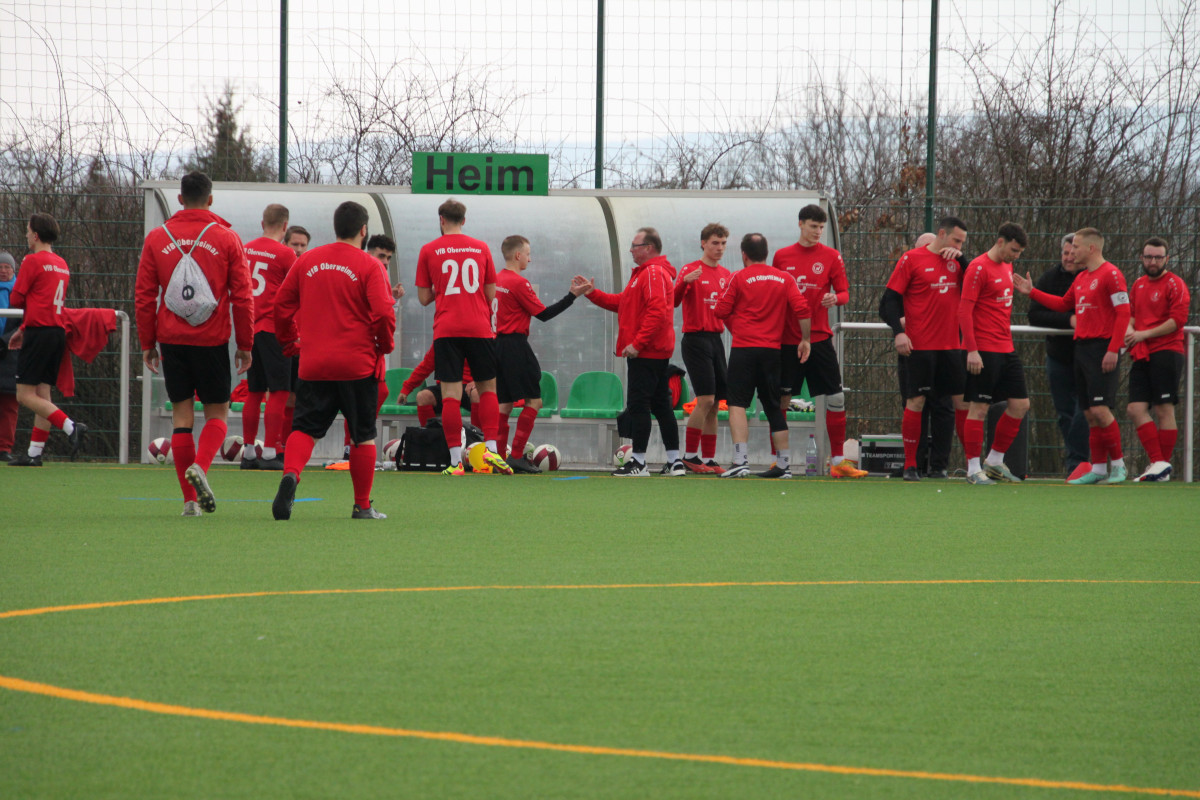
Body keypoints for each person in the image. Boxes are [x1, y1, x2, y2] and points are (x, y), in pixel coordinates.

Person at [135, 172, 253, 514]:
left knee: (181, 416)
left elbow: (144, 295)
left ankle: (189, 502)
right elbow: (243, 297)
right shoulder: (227, 238)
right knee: (217, 411)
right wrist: (245, 344)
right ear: (211, 199)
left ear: (180, 199)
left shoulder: (157, 238)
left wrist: (148, 342)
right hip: (212, 339)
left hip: (171, 339)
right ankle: (201, 466)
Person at [271, 201, 396, 520]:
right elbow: (383, 312)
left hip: (314, 364)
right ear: (363, 230)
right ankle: (362, 505)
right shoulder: (371, 266)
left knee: (304, 429)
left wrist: (289, 340)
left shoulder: (308, 260)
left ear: (336, 227)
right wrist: (384, 343)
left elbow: (282, 305)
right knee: (362, 434)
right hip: (357, 364)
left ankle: (291, 475)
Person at [1014, 227, 1131, 484]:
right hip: (1081, 350)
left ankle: (1119, 466)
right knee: (1089, 413)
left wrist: (1113, 349)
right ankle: (1098, 470)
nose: (1071, 252)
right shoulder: (1081, 278)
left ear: (1091, 248)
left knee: (1101, 410)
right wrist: (1031, 292)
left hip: (1102, 349)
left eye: (1076, 247)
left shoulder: (1111, 274)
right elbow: (1062, 304)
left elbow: (1123, 313)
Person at [414, 198, 512, 476]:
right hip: (479, 328)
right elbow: (491, 292)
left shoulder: (428, 249)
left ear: (441, 219)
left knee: (450, 396)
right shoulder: (480, 247)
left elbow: (423, 298)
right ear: (464, 221)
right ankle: (492, 450)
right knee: (488, 389)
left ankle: (456, 460)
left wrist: (442, 289)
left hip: (447, 329)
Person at [575, 227, 681, 476]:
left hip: (646, 353)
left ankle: (640, 462)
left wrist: (637, 343)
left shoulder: (653, 273)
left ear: (649, 248)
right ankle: (674, 462)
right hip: (652, 351)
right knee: (660, 405)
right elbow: (622, 303)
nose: (631, 250)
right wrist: (592, 293)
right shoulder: (644, 274)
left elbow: (657, 311)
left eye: (635, 246)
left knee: (639, 404)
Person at [771, 204, 867, 478]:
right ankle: (779, 460)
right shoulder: (782, 256)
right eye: (813, 226)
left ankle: (837, 461)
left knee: (836, 397)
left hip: (820, 338)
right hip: (788, 340)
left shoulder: (832, 256)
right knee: (782, 400)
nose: (818, 232)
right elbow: (775, 293)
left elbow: (845, 293)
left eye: (821, 228)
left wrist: (834, 298)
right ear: (801, 224)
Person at [879, 216, 970, 481]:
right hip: (920, 347)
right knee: (915, 402)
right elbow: (889, 302)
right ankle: (910, 465)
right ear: (942, 234)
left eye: (962, 242)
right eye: (956, 240)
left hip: (952, 346)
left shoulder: (960, 263)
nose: (959, 245)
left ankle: (971, 465)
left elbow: (981, 285)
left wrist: (962, 259)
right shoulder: (911, 259)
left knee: (961, 403)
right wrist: (899, 333)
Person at [713, 233, 811, 478]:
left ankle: (740, 461)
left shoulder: (738, 277)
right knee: (773, 406)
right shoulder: (784, 278)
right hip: (771, 351)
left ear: (743, 254)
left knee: (737, 403)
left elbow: (721, 310)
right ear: (766, 253)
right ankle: (784, 465)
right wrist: (805, 339)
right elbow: (802, 308)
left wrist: (739, 324)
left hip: (744, 349)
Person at [493, 234, 590, 472]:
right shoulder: (518, 282)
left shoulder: (494, 279)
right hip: (515, 345)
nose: (530, 259)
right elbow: (544, 315)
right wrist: (572, 296)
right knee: (534, 401)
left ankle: (497, 458)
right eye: (528, 254)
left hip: (495, 345)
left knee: (503, 405)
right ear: (518, 255)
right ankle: (515, 456)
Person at [6, 213, 88, 468]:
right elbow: (44, 301)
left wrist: (28, 322)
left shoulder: (32, 261)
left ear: (37, 235)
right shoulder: (62, 263)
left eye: (28, 231)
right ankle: (34, 453)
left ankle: (70, 426)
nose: (26, 235)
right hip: (55, 333)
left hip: (40, 333)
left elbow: (16, 300)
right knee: (43, 393)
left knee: (23, 395)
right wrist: (24, 328)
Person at [957, 223, 1030, 485]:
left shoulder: (1007, 267)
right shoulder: (978, 267)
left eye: (1020, 252)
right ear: (1000, 242)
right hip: (983, 349)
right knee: (979, 407)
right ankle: (973, 469)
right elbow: (964, 311)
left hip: (1006, 347)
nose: (1016, 256)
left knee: (1020, 405)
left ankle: (995, 461)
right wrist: (972, 350)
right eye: (1014, 250)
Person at [1124, 237, 1190, 482]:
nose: (1153, 261)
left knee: (1164, 409)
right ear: (1142, 257)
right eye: (1148, 257)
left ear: (1167, 259)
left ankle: (1159, 466)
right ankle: (1160, 463)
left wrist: (1143, 333)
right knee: (1134, 409)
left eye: (1158, 257)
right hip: (1142, 353)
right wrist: (1129, 331)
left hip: (1167, 351)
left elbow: (1177, 321)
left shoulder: (1175, 284)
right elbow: (1131, 315)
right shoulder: (1138, 284)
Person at [1027, 233, 1089, 479]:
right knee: (1064, 413)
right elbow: (1035, 315)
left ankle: (1084, 461)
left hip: (1087, 355)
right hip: (1058, 356)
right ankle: (1074, 465)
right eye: (1065, 253)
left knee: (1084, 411)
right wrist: (1068, 320)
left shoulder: (1092, 278)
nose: (1068, 257)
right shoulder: (1050, 278)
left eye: (1073, 253)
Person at [240, 203, 296, 470]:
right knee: (279, 390)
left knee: (254, 390)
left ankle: (249, 452)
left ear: (262, 224)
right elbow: (295, 295)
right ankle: (271, 451)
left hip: (249, 328)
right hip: (274, 329)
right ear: (285, 226)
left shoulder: (245, 248)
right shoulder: (286, 255)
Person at [673, 223, 732, 474]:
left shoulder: (727, 275)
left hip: (716, 340)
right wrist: (684, 283)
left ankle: (708, 458)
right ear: (703, 243)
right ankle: (689, 455)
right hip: (695, 339)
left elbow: (730, 311)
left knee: (716, 402)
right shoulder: (690, 270)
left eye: (723, 243)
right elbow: (673, 301)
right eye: (715, 243)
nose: (719, 248)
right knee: (705, 398)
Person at [0, 251, 19, 461]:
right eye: (0, 267)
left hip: (11, 353)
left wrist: (5, 341)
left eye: (7, 267)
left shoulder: (19, 293)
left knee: (9, 403)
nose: (3, 271)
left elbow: (24, 323)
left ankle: (4, 448)